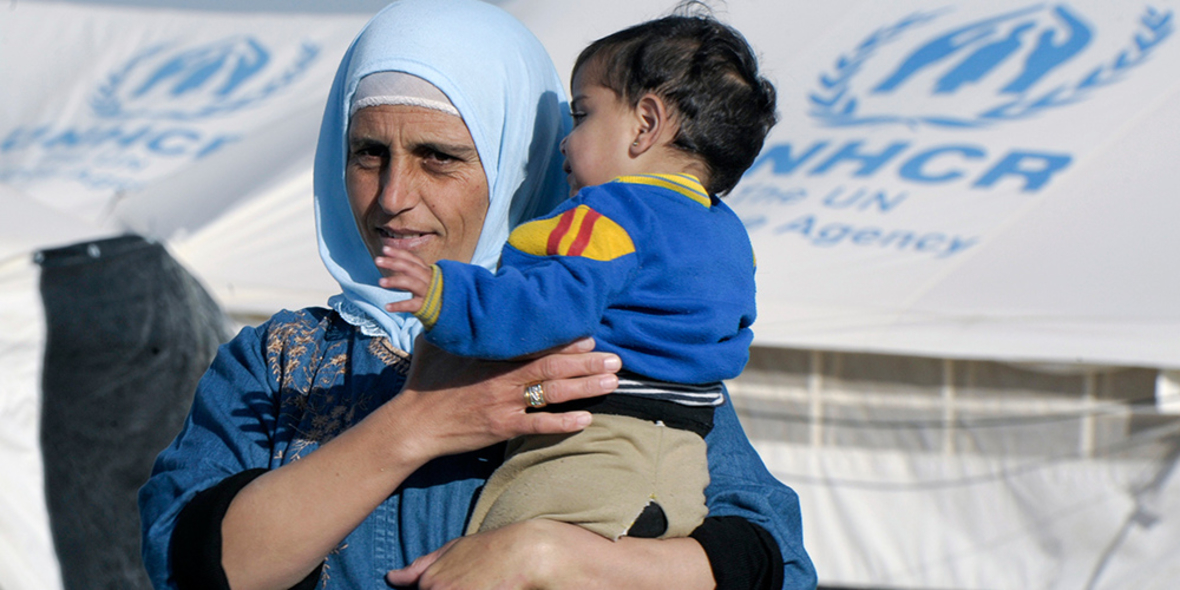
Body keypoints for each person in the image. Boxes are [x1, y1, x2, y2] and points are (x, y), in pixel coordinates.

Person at [138, 1, 816, 589]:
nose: (394, 197)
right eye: (369, 153)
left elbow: (769, 559)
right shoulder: (280, 362)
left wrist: (550, 554)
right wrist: (416, 425)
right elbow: (193, 564)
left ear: (523, 157)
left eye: (440, 156)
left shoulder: (610, 345)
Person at [376, 12, 776, 543]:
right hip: (684, 462)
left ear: (646, 124)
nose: (565, 141)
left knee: (489, 564)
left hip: (589, 454)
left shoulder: (611, 214)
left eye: (582, 115)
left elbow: (548, 307)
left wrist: (447, 296)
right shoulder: (728, 237)